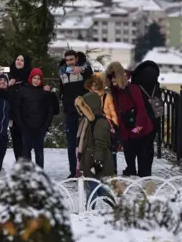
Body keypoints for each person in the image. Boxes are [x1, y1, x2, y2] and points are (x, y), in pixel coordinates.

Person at [105, 61, 154, 177]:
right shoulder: (115, 92)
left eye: (115, 78)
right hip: (125, 126)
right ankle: (131, 169)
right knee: (128, 150)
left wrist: (138, 126)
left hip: (138, 125)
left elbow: (141, 108)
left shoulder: (132, 89)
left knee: (141, 151)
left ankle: (143, 173)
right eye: (111, 78)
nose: (113, 81)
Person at [75, 89, 116, 205]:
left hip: (95, 160)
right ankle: (110, 204)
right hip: (89, 159)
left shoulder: (100, 122)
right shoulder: (87, 121)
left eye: (83, 107)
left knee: (94, 187)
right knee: (93, 187)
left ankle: (90, 208)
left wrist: (97, 163)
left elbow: (100, 144)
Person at [57, 49, 92, 179]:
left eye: (72, 59)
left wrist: (81, 70)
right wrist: (62, 97)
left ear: (76, 58)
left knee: (85, 141)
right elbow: (62, 88)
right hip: (69, 111)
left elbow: (91, 74)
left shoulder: (84, 68)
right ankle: (73, 170)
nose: (69, 62)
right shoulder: (62, 71)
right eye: (67, 60)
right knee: (71, 143)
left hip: (83, 111)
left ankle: (84, 169)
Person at [15, 67, 59, 168]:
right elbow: (17, 109)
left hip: (40, 128)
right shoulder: (23, 91)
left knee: (39, 152)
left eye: (38, 78)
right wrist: (21, 125)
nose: (36, 80)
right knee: (26, 152)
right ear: (31, 78)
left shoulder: (44, 92)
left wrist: (45, 126)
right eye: (34, 78)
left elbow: (51, 110)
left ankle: (39, 174)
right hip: (26, 127)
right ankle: (27, 174)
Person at [129, 59, 162, 175]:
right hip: (154, 120)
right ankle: (147, 170)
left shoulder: (137, 86)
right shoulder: (156, 86)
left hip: (140, 121)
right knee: (149, 146)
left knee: (139, 145)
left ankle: (141, 169)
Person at [86, 73, 119, 169]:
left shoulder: (107, 96)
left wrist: (114, 127)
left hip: (106, 126)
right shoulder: (88, 96)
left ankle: (112, 171)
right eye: (92, 85)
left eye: (96, 85)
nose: (94, 87)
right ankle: (96, 169)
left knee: (109, 149)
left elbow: (113, 112)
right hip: (92, 126)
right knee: (94, 148)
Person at [7, 52, 32, 161]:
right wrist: (9, 85)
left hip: (25, 115)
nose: (19, 62)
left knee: (25, 144)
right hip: (13, 115)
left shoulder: (29, 76)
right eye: (17, 59)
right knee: (16, 142)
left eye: (22, 60)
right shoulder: (9, 74)